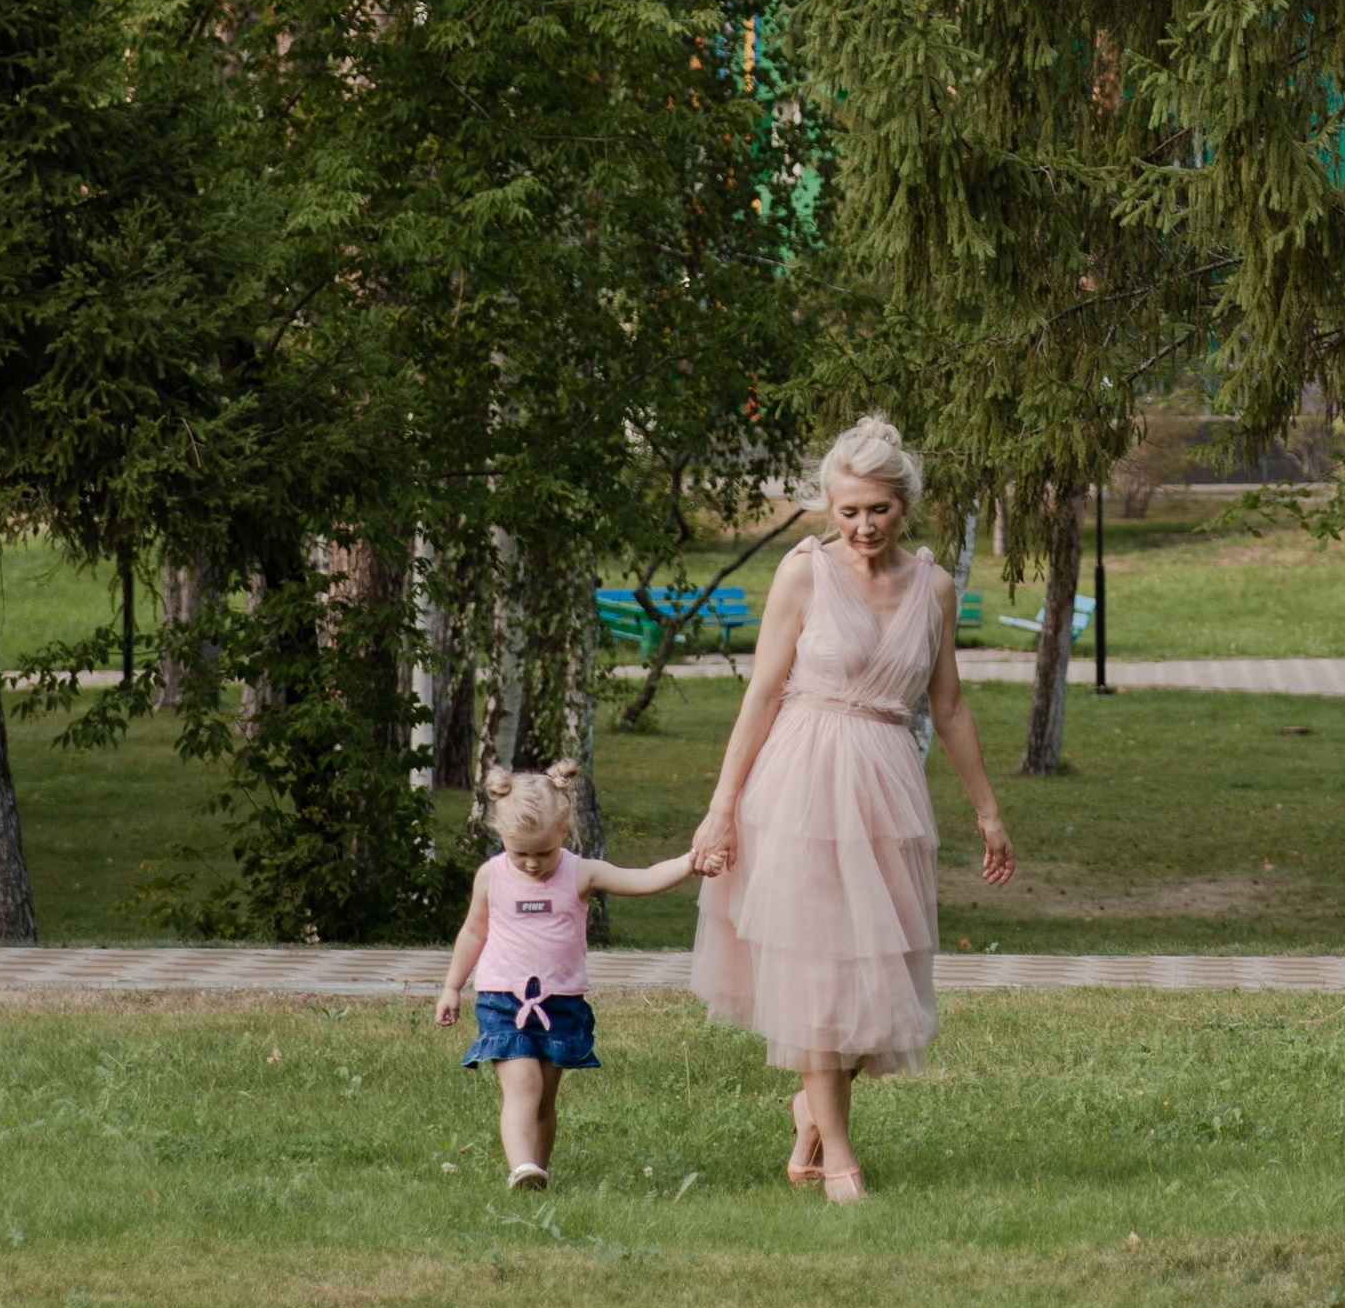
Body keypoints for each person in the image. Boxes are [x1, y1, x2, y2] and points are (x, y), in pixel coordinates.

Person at [688, 412, 1015, 1200]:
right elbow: (763, 692)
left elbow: (952, 704)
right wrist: (721, 806)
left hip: (886, 783)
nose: (864, 526)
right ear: (828, 511)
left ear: (906, 505)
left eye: (879, 509)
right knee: (817, 967)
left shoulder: (934, 586)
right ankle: (839, 1156)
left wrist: (988, 810)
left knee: (874, 970)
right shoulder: (804, 572)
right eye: (848, 511)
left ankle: (813, 1107)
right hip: (800, 781)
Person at [435, 757, 701, 1189]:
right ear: (502, 837)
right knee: (522, 1083)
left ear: (565, 831)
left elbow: (643, 878)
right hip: (503, 999)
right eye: (521, 853)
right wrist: (451, 986)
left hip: (560, 1002)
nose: (533, 865)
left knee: (544, 1098)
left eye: (543, 852)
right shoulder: (492, 876)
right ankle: (520, 1166)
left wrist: (691, 862)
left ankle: (537, 1170)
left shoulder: (580, 872)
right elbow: (472, 931)